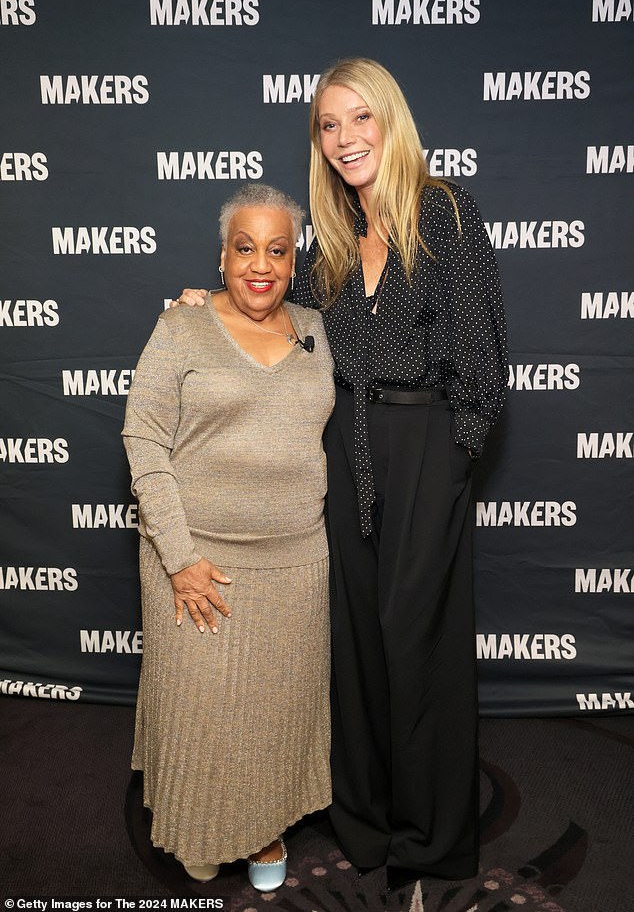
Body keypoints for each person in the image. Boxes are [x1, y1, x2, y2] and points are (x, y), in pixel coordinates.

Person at [174, 57, 508, 891]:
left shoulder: (445, 211)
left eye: (361, 118)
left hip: (426, 442)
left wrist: (454, 454)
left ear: (389, 122)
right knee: (355, 639)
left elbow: (485, 361)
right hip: (345, 442)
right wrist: (203, 307)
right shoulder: (325, 245)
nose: (346, 137)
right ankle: (365, 820)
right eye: (330, 125)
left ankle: (430, 837)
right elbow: (277, 319)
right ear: (318, 142)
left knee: (414, 637)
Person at [123, 184, 335, 891]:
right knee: (204, 709)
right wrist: (180, 559)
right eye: (245, 247)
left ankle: (266, 826)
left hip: (295, 562)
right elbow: (144, 440)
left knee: (276, 710)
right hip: (197, 557)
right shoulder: (180, 327)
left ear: (294, 260)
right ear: (222, 255)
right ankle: (202, 823)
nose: (260, 265)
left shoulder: (318, 328)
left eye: (277, 250)